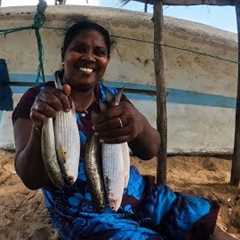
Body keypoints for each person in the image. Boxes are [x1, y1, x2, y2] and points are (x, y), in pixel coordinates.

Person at [12, 20, 234, 240]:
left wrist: (138, 126)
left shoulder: (113, 99)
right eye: (79, 49)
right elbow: (30, 178)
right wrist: (40, 127)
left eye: (99, 52)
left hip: (140, 195)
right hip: (86, 215)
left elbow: (150, 149)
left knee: (200, 217)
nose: (89, 57)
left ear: (107, 60)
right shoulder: (37, 99)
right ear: (64, 54)